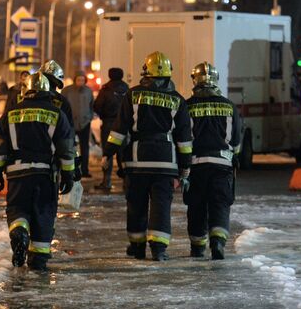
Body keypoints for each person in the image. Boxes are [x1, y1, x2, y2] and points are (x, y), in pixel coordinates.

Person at [102, 51, 193, 261]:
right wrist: (185, 168)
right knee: (161, 205)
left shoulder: (133, 95)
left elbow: (119, 129)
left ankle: (137, 246)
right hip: (165, 162)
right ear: (168, 75)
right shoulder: (177, 100)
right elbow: (184, 139)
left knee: (136, 204)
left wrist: (108, 154)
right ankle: (159, 249)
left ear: (145, 73)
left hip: (137, 160)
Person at [0, 72, 76, 271]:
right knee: (43, 213)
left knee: (17, 209)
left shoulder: (11, 114)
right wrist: (69, 174)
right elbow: (66, 148)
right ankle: (38, 259)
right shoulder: (56, 114)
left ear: (25, 91)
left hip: (17, 174)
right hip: (45, 175)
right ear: (47, 91)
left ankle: (19, 230)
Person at [185, 62, 241, 260]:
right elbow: (236, 141)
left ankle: (198, 247)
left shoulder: (188, 106)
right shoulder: (229, 105)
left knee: (196, 206)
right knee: (220, 204)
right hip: (222, 166)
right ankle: (217, 242)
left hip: (196, 166)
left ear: (195, 80)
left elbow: (182, 138)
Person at [93, 67, 129, 190]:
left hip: (109, 124)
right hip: (124, 125)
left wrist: (103, 115)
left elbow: (97, 105)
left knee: (107, 153)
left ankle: (106, 180)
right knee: (123, 153)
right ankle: (126, 181)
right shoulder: (127, 89)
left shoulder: (105, 89)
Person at [62, 71, 95, 178]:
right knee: (70, 147)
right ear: (74, 80)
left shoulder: (88, 91)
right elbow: (62, 106)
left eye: (82, 80)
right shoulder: (67, 91)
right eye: (78, 80)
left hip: (85, 123)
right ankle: (70, 170)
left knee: (85, 148)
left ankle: (85, 170)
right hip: (70, 123)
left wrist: (89, 117)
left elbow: (91, 106)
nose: (80, 82)